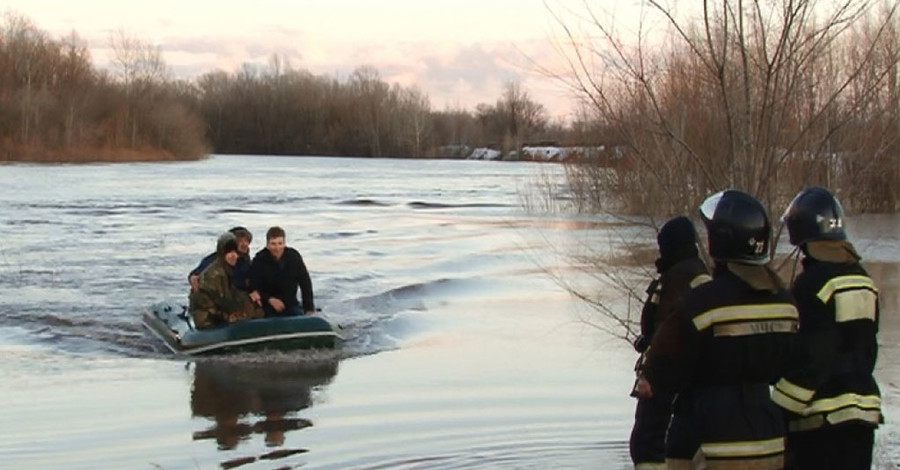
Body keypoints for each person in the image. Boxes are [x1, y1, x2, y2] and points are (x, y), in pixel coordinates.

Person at [639, 189, 798, 469]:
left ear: (720, 242)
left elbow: (657, 380)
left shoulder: (701, 303)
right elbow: (799, 374)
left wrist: (646, 455)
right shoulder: (786, 303)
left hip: (707, 447)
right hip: (772, 445)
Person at [773, 186, 882, 470]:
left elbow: (812, 359)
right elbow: (867, 350)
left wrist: (778, 410)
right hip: (863, 416)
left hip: (820, 423)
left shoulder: (811, 286)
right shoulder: (864, 280)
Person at [630, 216, 711, 470]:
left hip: (666, 379)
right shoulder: (700, 276)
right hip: (696, 384)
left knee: (646, 444)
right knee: (684, 444)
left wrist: (650, 377)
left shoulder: (677, 280)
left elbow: (669, 334)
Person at [189, 232, 263, 329]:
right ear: (222, 254)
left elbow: (231, 293)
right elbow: (225, 302)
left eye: (236, 253)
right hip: (208, 317)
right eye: (230, 252)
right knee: (253, 312)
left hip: (216, 311)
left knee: (256, 309)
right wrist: (248, 301)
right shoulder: (215, 274)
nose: (234, 256)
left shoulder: (226, 269)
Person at [249, 226, 316, 317]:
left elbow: (305, 283)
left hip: (290, 304)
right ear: (267, 245)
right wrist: (269, 299)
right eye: (273, 244)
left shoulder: (294, 257)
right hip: (267, 305)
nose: (277, 248)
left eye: (280, 243)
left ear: (284, 244)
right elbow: (253, 286)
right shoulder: (259, 260)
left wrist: (309, 309)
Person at [189, 226, 254, 292]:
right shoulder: (216, 259)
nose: (244, 244)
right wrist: (193, 277)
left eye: (246, 241)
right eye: (240, 241)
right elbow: (196, 274)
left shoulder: (245, 259)